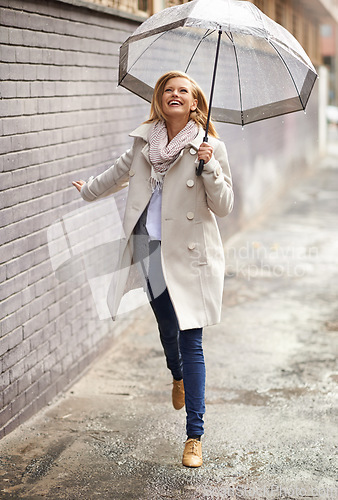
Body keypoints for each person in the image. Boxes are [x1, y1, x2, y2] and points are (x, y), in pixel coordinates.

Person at [73, 71, 234, 468]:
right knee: (167, 328)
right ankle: (175, 375)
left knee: (190, 338)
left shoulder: (209, 146)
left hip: (190, 255)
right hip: (150, 249)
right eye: (169, 90)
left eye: (183, 91)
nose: (175, 95)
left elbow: (226, 205)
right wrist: (89, 189)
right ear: (160, 99)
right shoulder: (145, 141)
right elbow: (118, 173)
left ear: (195, 103)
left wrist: (209, 167)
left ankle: (194, 436)